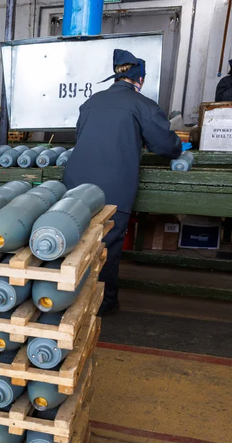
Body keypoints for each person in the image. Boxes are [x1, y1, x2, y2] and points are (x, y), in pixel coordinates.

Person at [63, 49, 185, 316]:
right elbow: (166, 146)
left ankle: (65, 298)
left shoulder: (92, 101)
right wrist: (180, 147)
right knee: (106, 243)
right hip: (112, 185)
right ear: (139, 78)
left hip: (75, 182)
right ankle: (103, 304)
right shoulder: (143, 105)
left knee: (75, 238)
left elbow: (81, 136)